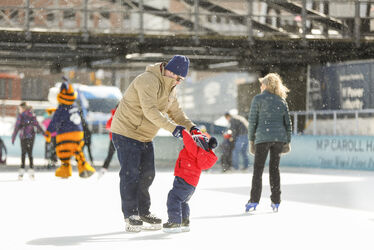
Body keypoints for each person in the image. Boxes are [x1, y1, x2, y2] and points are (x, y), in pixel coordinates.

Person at [110, 55, 201, 232]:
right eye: (178, 78)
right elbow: (150, 111)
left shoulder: (171, 88)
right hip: (126, 131)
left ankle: (144, 211)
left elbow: (178, 113)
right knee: (130, 175)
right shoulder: (147, 80)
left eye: (181, 79)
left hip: (145, 136)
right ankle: (131, 214)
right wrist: (173, 129)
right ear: (171, 71)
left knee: (148, 174)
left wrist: (192, 128)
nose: (179, 82)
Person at [245, 73, 292, 213]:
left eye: (261, 84)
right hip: (278, 139)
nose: (260, 86)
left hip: (262, 138)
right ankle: (276, 201)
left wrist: (251, 140)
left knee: (258, 170)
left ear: (265, 85)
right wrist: (287, 141)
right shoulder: (281, 101)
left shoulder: (258, 99)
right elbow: (288, 123)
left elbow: (252, 121)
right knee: (274, 169)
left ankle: (254, 200)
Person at [163, 130, 218, 233]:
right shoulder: (200, 154)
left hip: (184, 179)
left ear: (196, 142)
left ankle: (174, 222)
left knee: (173, 198)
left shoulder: (194, 149)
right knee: (183, 201)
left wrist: (183, 131)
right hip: (191, 183)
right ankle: (184, 222)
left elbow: (188, 141)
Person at [44, 77, 96, 178]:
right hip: (78, 132)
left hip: (65, 133)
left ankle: (65, 169)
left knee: (63, 151)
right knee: (77, 150)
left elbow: (55, 121)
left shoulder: (61, 108)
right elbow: (68, 113)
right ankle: (84, 167)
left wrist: (49, 132)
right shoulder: (75, 105)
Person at [12, 102, 44, 180]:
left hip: (23, 136)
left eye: (19, 109)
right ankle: (31, 171)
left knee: (23, 153)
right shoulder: (32, 115)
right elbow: (37, 124)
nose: (19, 110)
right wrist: (43, 132)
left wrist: (13, 137)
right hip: (31, 136)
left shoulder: (21, 116)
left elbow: (17, 127)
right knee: (30, 153)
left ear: (23, 108)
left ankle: (22, 172)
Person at [98, 105, 118, 179]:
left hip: (113, 138)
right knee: (121, 154)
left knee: (110, 154)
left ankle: (104, 168)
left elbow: (108, 126)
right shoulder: (116, 115)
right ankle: (104, 168)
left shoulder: (114, 115)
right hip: (117, 138)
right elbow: (108, 126)